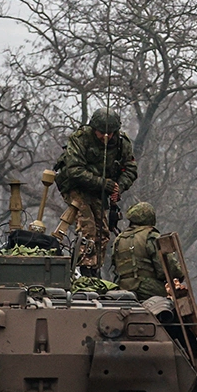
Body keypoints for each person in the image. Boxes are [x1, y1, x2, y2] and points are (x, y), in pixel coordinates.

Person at [55, 107, 139, 276]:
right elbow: (74, 170)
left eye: (110, 133)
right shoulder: (80, 139)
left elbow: (130, 169)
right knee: (88, 227)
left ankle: (95, 269)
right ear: (94, 129)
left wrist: (118, 187)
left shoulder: (122, 143)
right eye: (102, 132)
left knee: (102, 232)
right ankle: (85, 269)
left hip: (99, 190)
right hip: (76, 186)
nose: (106, 137)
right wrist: (103, 183)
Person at [111, 202, 182, 301]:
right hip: (147, 287)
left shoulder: (119, 239)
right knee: (178, 299)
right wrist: (179, 275)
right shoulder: (151, 236)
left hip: (122, 287)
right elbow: (166, 266)